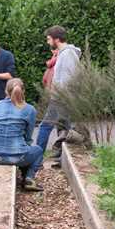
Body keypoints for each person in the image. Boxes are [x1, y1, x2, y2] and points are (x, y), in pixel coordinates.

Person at [0, 79, 43, 191]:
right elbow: (28, 137)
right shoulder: (29, 109)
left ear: (6, 91)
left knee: (24, 149)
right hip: (17, 156)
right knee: (37, 150)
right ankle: (29, 179)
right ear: (23, 91)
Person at [36, 26, 81, 158]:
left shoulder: (68, 54)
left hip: (61, 98)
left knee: (45, 126)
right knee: (64, 128)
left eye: (49, 39)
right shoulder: (63, 53)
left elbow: (70, 78)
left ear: (57, 39)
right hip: (61, 97)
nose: (47, 42)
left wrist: (59, 95)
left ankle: (36, 158)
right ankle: (62, 156)